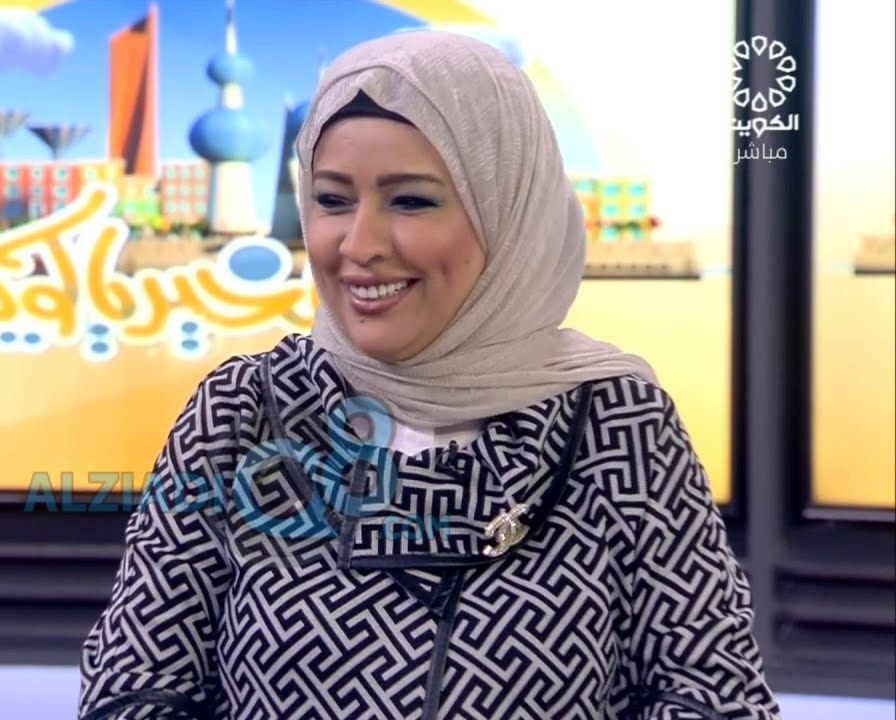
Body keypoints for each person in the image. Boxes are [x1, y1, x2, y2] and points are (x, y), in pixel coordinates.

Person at [78, 30, 779, 720]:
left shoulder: (617, 423)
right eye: (332, 200)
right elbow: (133, 690)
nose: (359, 246)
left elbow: (715, 698)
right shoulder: (241, 412)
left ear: (508, 211)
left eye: (410, 201)